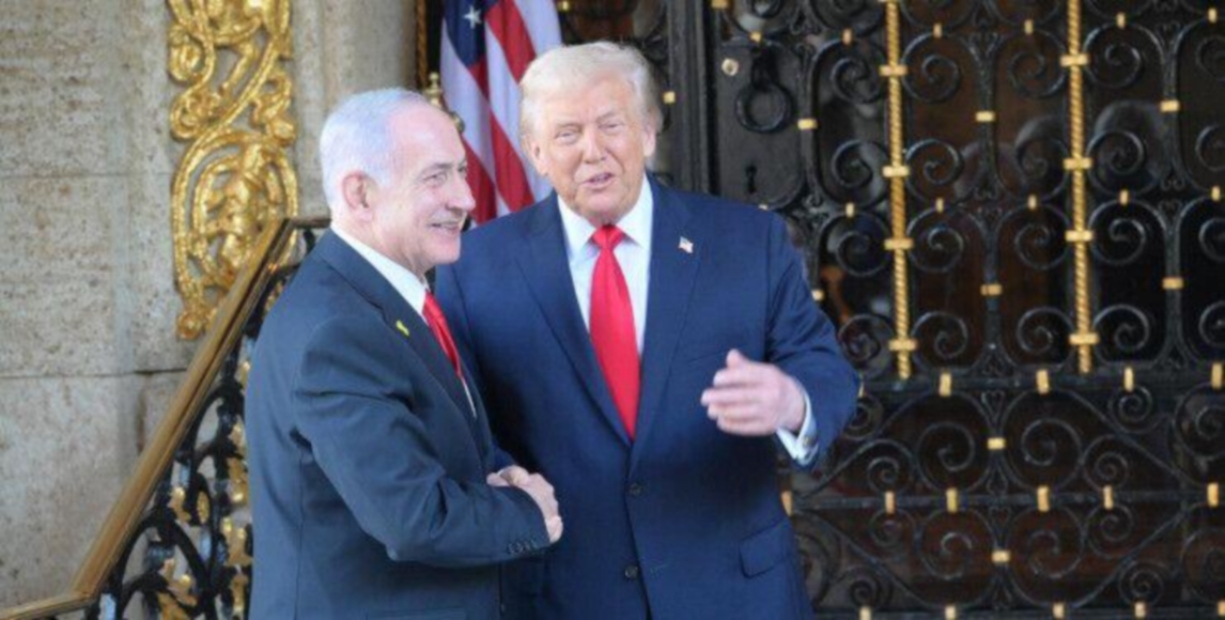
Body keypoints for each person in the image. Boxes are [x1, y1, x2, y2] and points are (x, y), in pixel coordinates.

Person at [435, 43, 859, 620]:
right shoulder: (474, 266)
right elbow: (463, 422)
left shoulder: (745, 242)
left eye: (612, 125)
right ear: (535, 152)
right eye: (567, 134)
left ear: (649, 132)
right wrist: (505, 481)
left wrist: (792, 401)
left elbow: (823, 366)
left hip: (733, 590)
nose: (593, 150)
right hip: (568, 595)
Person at [246, 88, 563, 619]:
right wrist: (528, 512)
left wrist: (501, 476)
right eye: (435, 177)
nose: (465, 198)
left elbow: (444, 447)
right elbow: (412, 518)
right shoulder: (337, 330)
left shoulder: (385, 297)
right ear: (360, 194)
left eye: (461, 172)